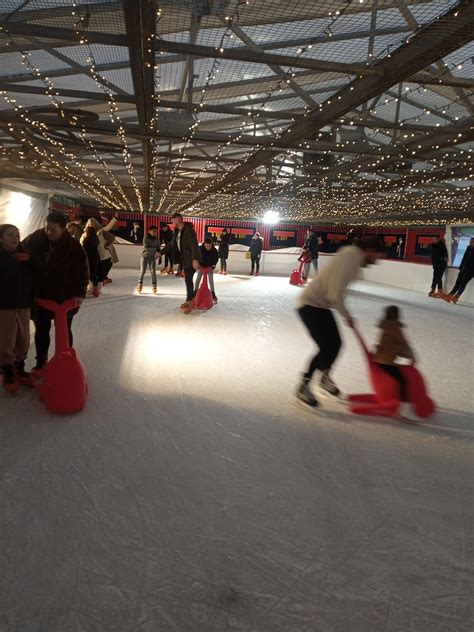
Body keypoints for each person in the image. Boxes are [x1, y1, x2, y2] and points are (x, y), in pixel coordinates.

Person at [296, 236, 385, 408]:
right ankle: (304, 385)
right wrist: (347, 316)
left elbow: (335, 293)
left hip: (320, 306)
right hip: (310, 305)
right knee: (325, 347)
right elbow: (334, 294)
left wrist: (345, 314)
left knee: (335, 344)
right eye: (377, 256)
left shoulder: (353, 257)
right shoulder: (350, 257)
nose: (377, 261)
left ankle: (324, 377)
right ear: (369, 250)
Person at [22, 211, 89, 375]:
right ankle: (41, 362)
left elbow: (82, 271)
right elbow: (20, 249)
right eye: (47, 229)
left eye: (53, 230)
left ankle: (66, 359)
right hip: (42, 294)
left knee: (65, 329)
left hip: (64, 295)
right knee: (42, 329)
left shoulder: (73, 246)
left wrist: (79, 294)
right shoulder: (35, 239)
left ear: (63, 229)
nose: (49, 233)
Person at [0, 224, 34, 393]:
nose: (14, 238)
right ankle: (7, 372)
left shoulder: (25, 256)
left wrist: (29, 260)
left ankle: (19, 368)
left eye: (17, 235)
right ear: (1, 238)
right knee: (6, 340)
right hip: (4, 306)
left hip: (23, 304)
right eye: (10, 235)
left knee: (23, 338)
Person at [373, 305, 415, 402]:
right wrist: (410, 356)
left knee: (393, 379)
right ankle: (405, 405)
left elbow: (389, 344)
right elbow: (403, 343)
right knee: (403, 381)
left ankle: (389, 397)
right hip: (387, 361)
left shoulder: (385, 327)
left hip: (379, 359)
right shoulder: (395, 328)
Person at [170, 213, 201, 313]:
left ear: (178, 219)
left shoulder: (188, 230)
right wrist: (160, 253)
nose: (172, 223)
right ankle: (190, 300)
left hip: (191, 259)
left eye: (173, 221)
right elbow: (171, 244)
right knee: (188, 280)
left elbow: (194, 245)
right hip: (185, 260)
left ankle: (190, 302)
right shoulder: (177, 231)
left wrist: (195, 259)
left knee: (188, 279)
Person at [85, 216, 117, 287]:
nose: (91, 225)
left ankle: (99, 285)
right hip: (93, 255)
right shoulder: (86, 233)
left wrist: (115, 218)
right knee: (94, 271)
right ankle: (95, 285)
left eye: (92, 223)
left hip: (103, 255)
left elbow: (109, 228)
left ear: (95, 224)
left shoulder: (101, 231)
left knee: (100, 271)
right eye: (90, 224)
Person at [444, 237, 474, 304]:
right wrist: (461, 267)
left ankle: (456, 297)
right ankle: (450, 295)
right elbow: (464, 258)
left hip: (470, 271)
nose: (471, 242)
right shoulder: (468, 248)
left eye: (472, 241)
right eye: (470, 241)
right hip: (463, 269)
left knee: (462, 284)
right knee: (458, 283)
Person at [195, 238, 219, 303]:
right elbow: (196, 257)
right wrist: (198, 265)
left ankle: (213, 293)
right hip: (201, 266)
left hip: (209, 267)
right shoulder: (200, 249)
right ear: (204, 244)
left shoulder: (214, 250)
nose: (208, 247)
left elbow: (216, 259)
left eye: (209, 246)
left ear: (211, 245)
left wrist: (213, 265)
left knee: (211, 280)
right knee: (198, 278)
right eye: (207, 246)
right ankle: (195, 291)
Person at [137, 225, 160, 294]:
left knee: (153, 272)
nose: (155, 233)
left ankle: (154, 285)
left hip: (153, 257)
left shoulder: (157, 239)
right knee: (142, 271)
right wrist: (155, 249)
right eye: (153, 231)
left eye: (156, 231)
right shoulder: (146, 238)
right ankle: (139, 284)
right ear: (149, 231)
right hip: (145, 256)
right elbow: (146, 247)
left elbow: (158, 248)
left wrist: (160, 255)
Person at [80, 225, 101, 298]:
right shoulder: (95, 239)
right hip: (95, 258)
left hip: (88, 259)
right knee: (94, 274)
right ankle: (95, 290)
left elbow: (84, 251)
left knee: (85, 274)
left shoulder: (86, 240)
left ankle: (84, 291)